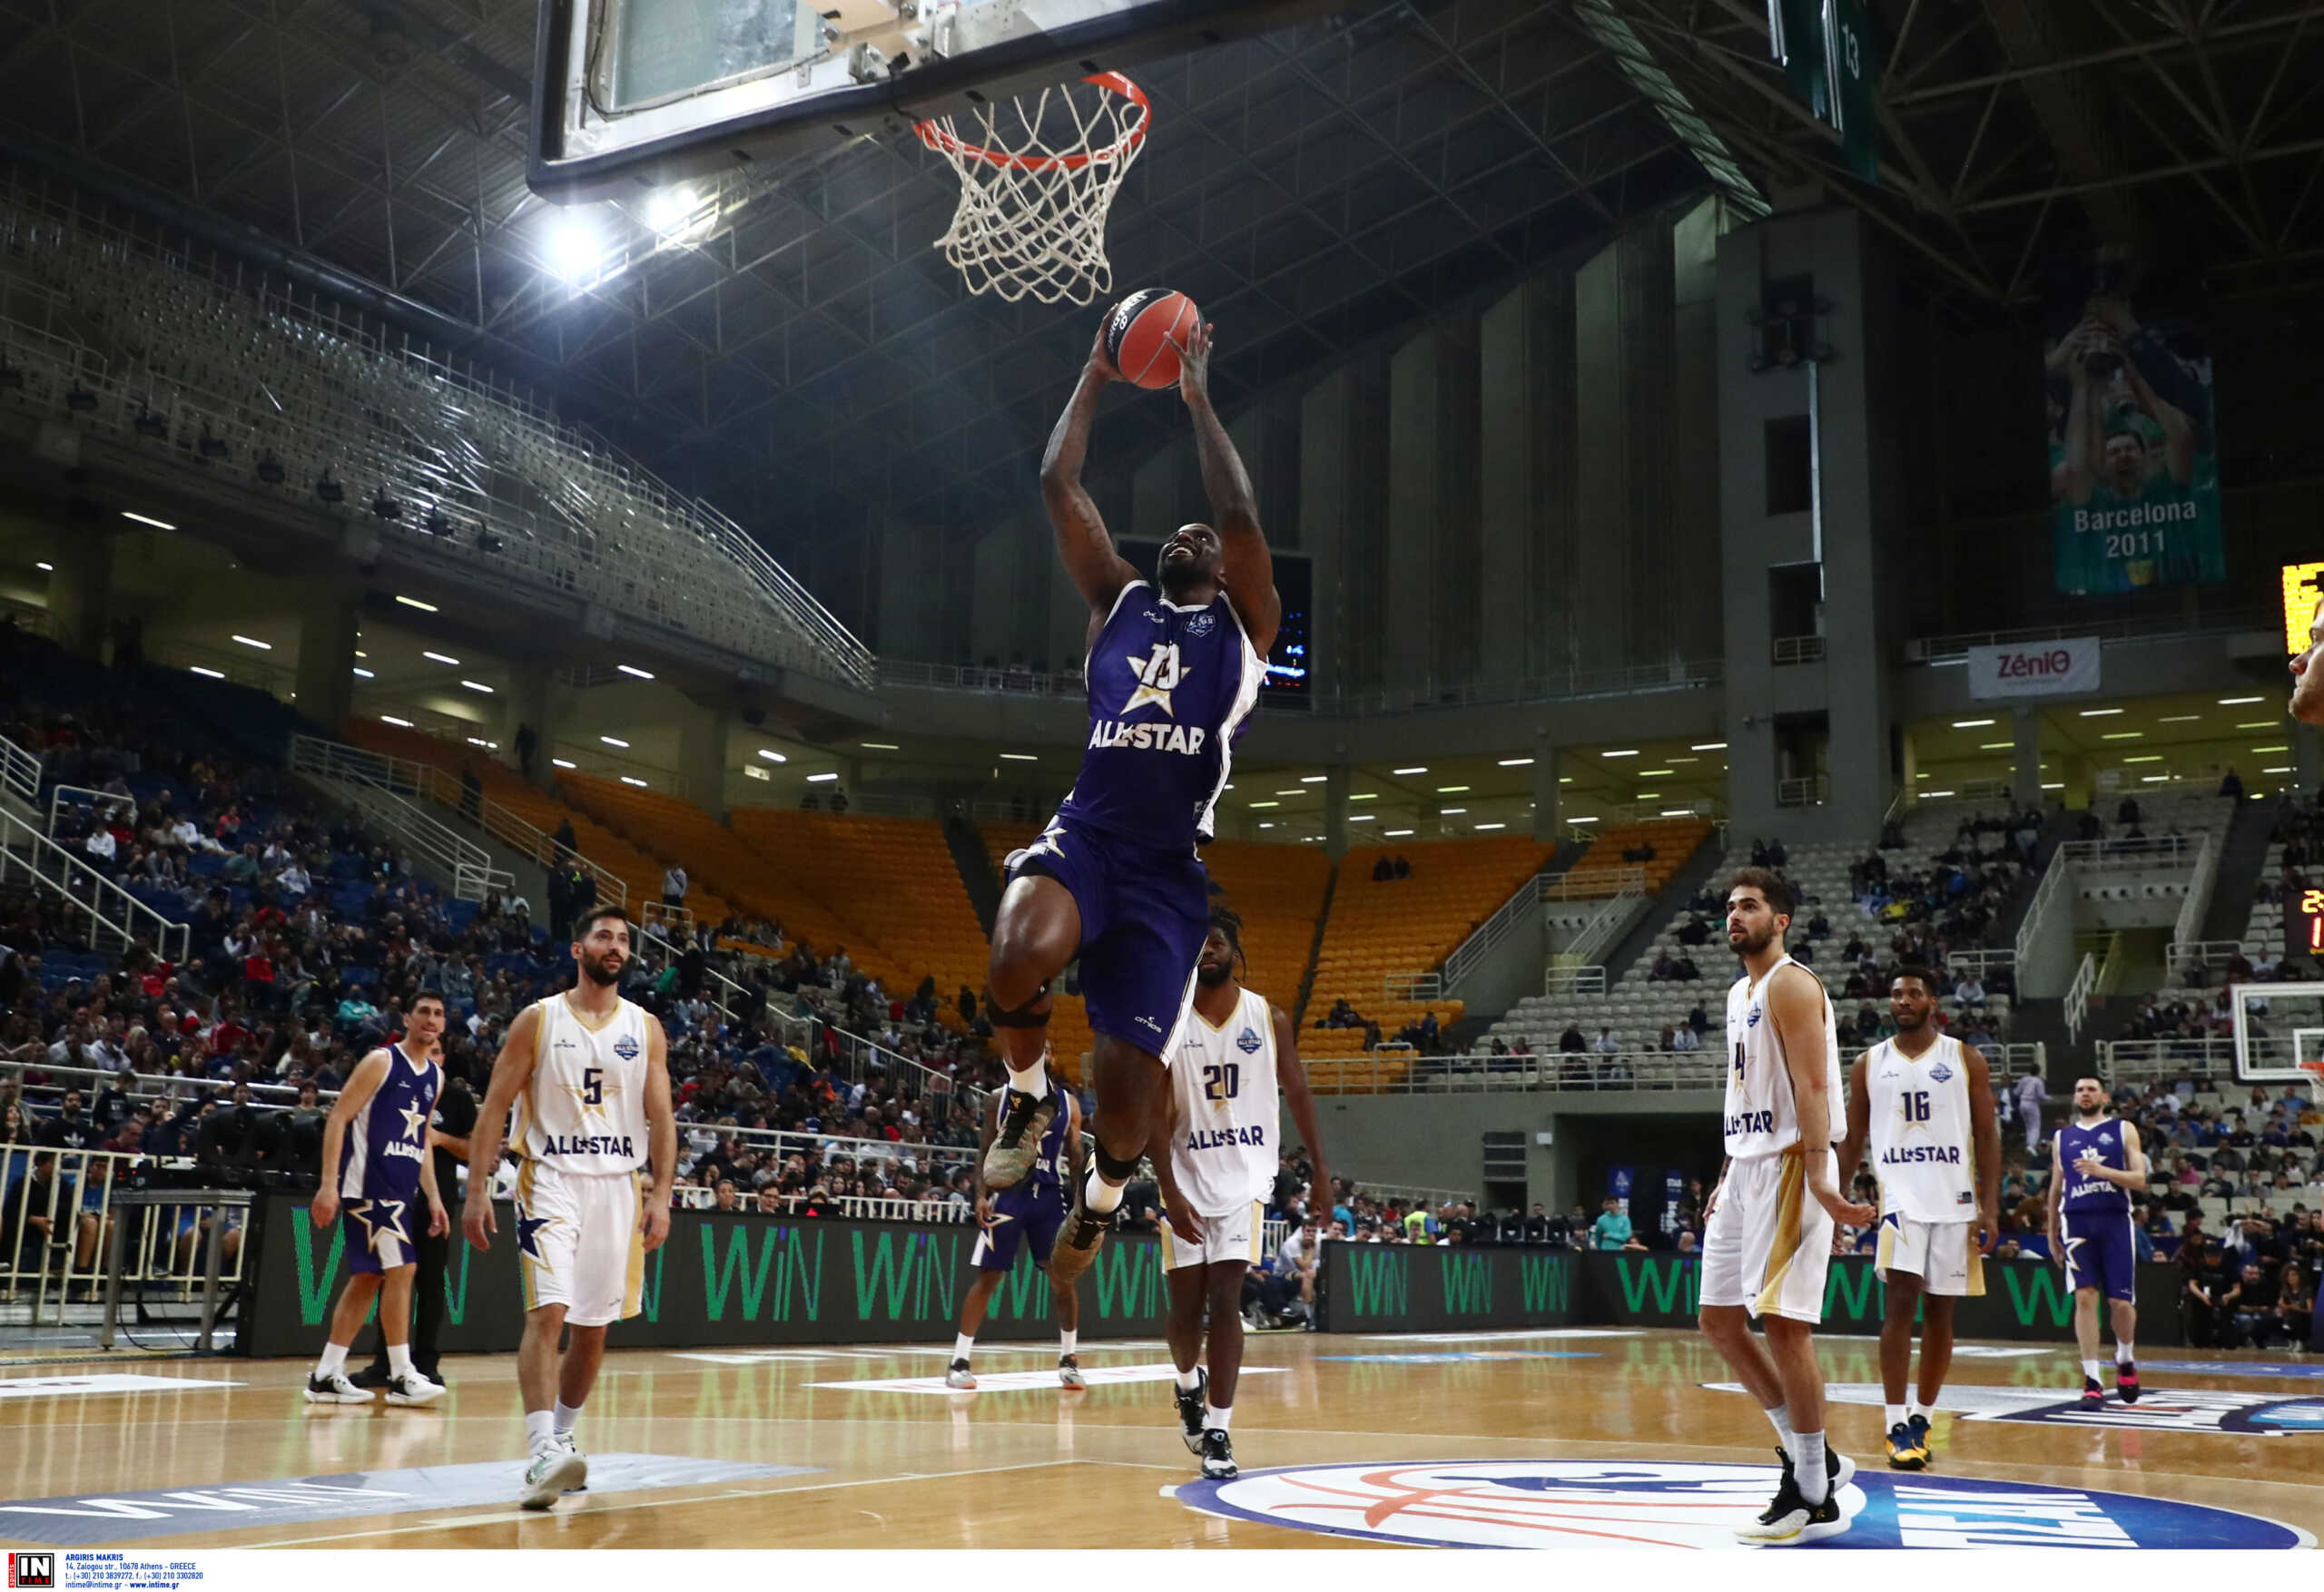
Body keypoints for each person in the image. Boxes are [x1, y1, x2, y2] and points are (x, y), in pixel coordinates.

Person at [978, 315, 1279, 1294]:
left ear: (1227, 568)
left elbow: (1238, 515)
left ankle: (1104, 1191)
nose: (1192, 534)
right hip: (1089, 834)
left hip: (1163, 876)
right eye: (1180, 533)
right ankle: (1026, 1096)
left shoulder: (1245, 627)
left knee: (1125, 1116)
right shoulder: (1119, 600)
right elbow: (1057, 485)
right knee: (1015, 955)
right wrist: (1095, 371)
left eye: (1206, 538)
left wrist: (1197, 401)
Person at [462, 905, 677, 1509]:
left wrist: (660, 1195)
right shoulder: (539, 1020)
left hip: (618, 1185)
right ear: (577, 949)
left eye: (623, 940)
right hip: (550, 1178)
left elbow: (662, 1117)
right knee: (548, 1311)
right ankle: (539, 1454)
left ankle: (561, 1438)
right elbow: (493, 1109)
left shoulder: (646, 1026)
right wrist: (477, 1190)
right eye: (603, 936)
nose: (616, 946)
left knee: (593, 1328)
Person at [1698, 868, 1873, 1546]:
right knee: (1718, 1321)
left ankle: (1810, 1494)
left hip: (1793, 1164)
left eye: (1750, 906)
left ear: (1782, 920)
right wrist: (1726, 1171)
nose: (1735, 916)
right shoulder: (1739, 989)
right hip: (1745, 1165)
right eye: (1731, 908)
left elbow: (1812, 1087)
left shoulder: (1792, 983)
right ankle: (1817, 1460)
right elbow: (1748, 1093)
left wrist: (1824, 1176)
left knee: (1785, 1326)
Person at [1152, 907, 1325, 1481]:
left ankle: (1220, 1429)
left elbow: (1298, 1093)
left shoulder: (1267, 1017)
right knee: (1185, 1310)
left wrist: (1322, 1172)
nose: (1208, 951)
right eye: (1199, 943)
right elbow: (1155, 1113)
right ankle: (1186, 1387)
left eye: (1218, 942)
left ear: (1235, 950)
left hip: (1246, 1180)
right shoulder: (1171, 1022)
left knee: (1225, 1303)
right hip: (1185, 1178)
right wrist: (1168, 1188)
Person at [1836, 967, 2000, 1472]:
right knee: (1899, 1306)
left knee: (1941, 1314)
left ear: (1933, 1002)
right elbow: (1853, 1138)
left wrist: (1990, 1206)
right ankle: (1893, 1423)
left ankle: (1923, 1417)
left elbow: (1989, 1136)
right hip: (1899, 1200)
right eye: (1896, 994)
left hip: (1954, 1200)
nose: (1903, 1001)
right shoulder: (1868, 1063)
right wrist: (1835, 1200)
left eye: (1914, 993)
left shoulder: (1964, 1058)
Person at [302, 989, 449, 1409]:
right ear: (407, 1016)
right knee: (403, 1269)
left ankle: (326, 1374)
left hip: (402, 1192)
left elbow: (419, 1140)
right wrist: (328, 1184)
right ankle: (403, 1375)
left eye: (438, 1014)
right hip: (367, 1187)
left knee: (369, 1278)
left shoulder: (434, 1078)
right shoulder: (381, 1061)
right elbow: (338, 1118)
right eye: (423, 1011)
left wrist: (434, 1197)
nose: (431, 1019)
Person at [944, 1063, 1086, 1392]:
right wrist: (980, 1194)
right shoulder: (1000, 1097)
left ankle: (1069, 1360)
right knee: (989, 1276)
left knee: (1062, 1276)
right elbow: (984, 1148)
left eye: (1050, 1047)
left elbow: (1076, 1157)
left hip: (1049, 1195)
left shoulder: (1069, 1102)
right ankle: (959, 1362)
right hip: (1009, 1193)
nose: (1046, 1050)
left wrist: (1082, 1205)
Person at [356, 1043, 476, 1388]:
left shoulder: (457, 1099)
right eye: (430, 1051)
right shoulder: (396, 1087)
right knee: (389, 1277)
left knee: (432, 1282)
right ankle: (386, 1361)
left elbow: (472, 1148)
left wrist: (440, 1139)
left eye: (440, 1051)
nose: (433, 1056)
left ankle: (426, 1361)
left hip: (436, 1199)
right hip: (392, 1193)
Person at [2045, 1075, 2146, 1410]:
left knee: (2120, 1303)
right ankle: (2092, 1379)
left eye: (2091, 1089)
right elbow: (2056, 1187)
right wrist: (2050, 1231)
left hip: (2115, 1220)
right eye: (2079, 1090)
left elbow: (2140, 1179)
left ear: (2104, 1095)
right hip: (2076, 1222)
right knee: (2085, 1297)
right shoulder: (2062, 1137)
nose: (2085, 1094)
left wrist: (2102, 1171)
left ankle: (2125, 1357)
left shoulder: (2123, 1129)